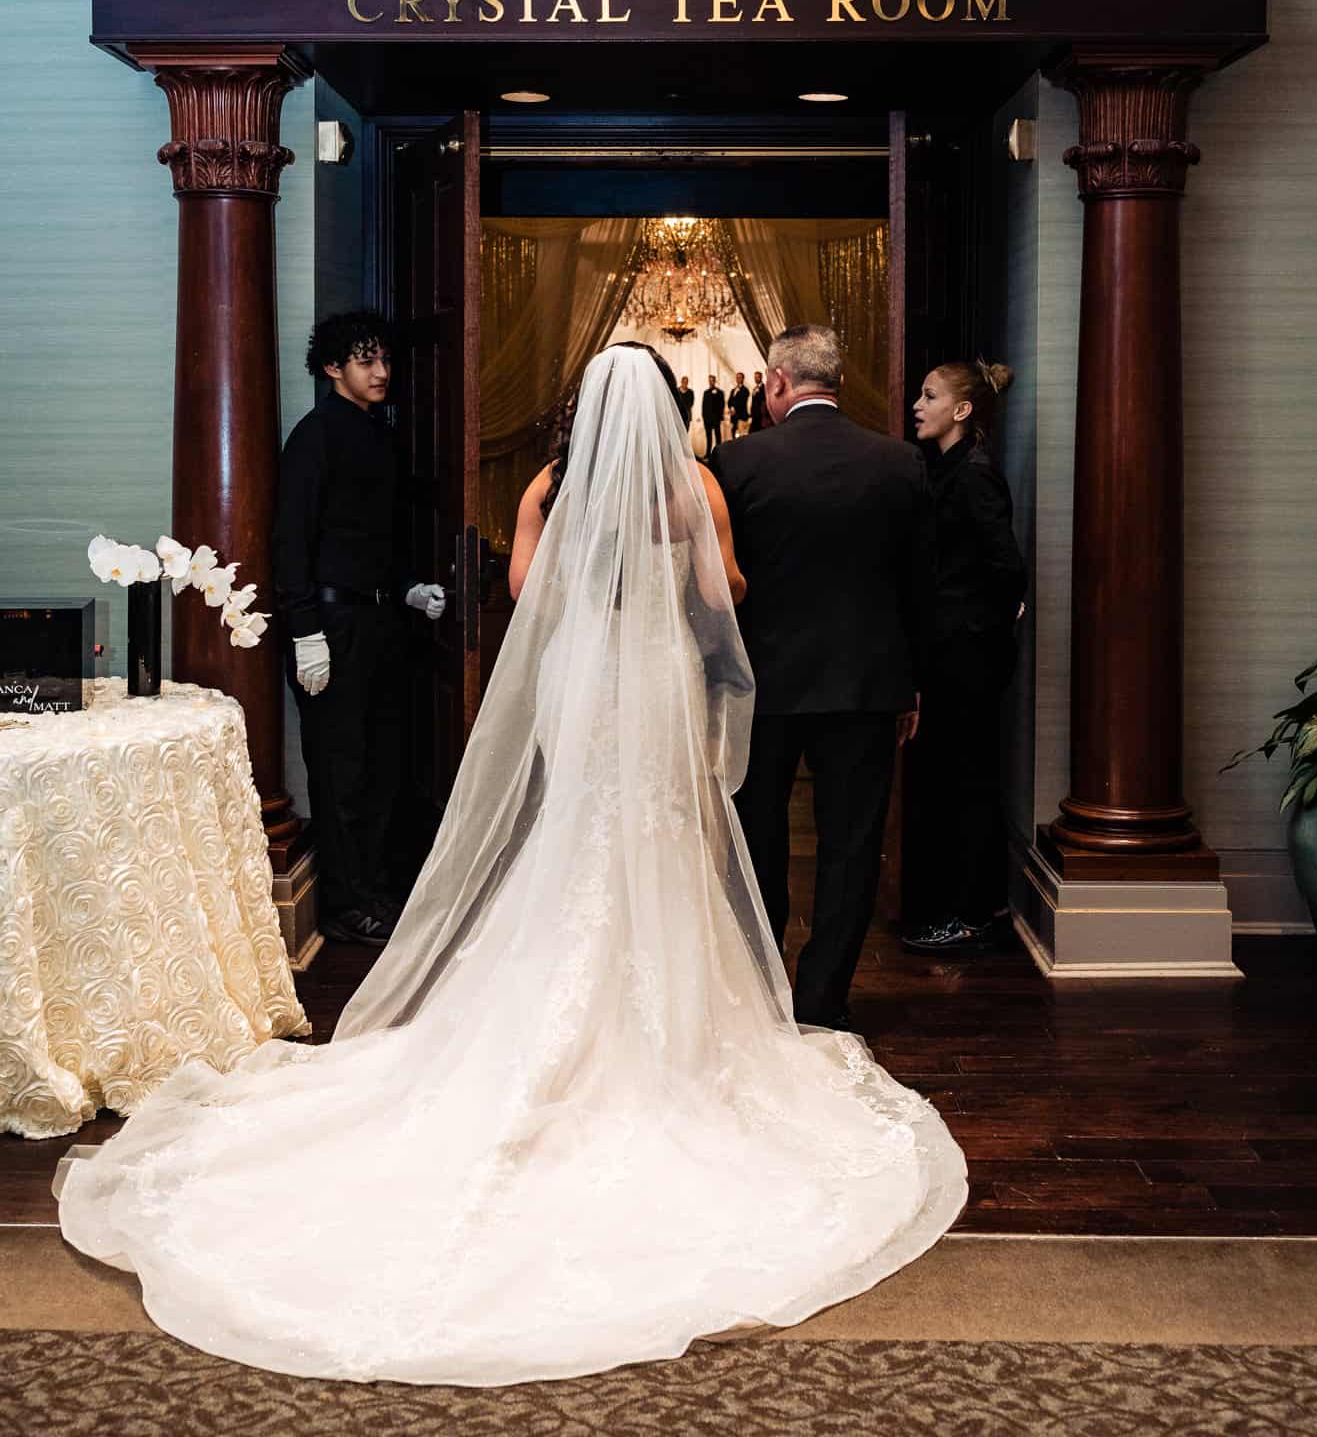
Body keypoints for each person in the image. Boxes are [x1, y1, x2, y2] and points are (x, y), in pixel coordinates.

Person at [55, 344, 965, 1387]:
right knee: (661, 838)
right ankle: (674, 1034)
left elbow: (529, 589)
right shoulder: (695, 483)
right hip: (655, 680)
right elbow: (729, 592)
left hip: (587, 686)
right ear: (666, 411)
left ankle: (533, 1023)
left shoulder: (550, 482)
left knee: (574, 836)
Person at [712, 325, 934, 1029]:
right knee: (850, 844)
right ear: (834, 380)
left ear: (777, 382)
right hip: (865, 685)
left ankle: (763, 986)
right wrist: (911, 684)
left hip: (762, 685)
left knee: (758, 839)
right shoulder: (899, 462)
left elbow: (718, 588)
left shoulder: (736, 460)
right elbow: (919, 587)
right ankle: (822, 997)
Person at [271, 311, 447, 948]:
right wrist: (304, 631)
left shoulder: (379, 434)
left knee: (380, 764)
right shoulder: (314, 437)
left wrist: (408, 587)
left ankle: (373, 889)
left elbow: (375, 538)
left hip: (378, 621)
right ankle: (347, 905)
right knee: (340, 769)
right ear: (332, 367)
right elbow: (292, 541)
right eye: (366, 361)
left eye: (385, 360)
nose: (381, 372)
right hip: (332, 625)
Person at [902, 359, 1027, 956]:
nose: (916, 405)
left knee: (967, 780)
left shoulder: (974, 473)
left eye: (929, 396)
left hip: (966, 658)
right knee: (954, 779)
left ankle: (975, 916)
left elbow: (1006, 568)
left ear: (962, 409)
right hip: (950, 653)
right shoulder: (946, 468)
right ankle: (970, 906)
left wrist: (985, 630)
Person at [700, 372, 726, 457]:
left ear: (715, 381)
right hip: (707, 418)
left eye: (712, 380)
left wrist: (720, 416)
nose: (711, 382)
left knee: (718, 436)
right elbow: (703, 405)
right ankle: (708, 453)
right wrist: (703, 416)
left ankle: (719, 453)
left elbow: (722, 405)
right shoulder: (706, 392)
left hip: (716, 418)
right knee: (708, 436)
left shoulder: (720, 392)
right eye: (709, 380)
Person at [727, 370, 751, 438]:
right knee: (733, 432)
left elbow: (742, 402)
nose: (738, 379)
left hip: (741, 415)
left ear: (743, 379)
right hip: (734, 416)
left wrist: (735, 408)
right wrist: (731, 407)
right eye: (737, 377)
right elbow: (729, 401)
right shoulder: (733, 390)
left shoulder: (745, 390)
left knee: (742, 435)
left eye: (740, 377)